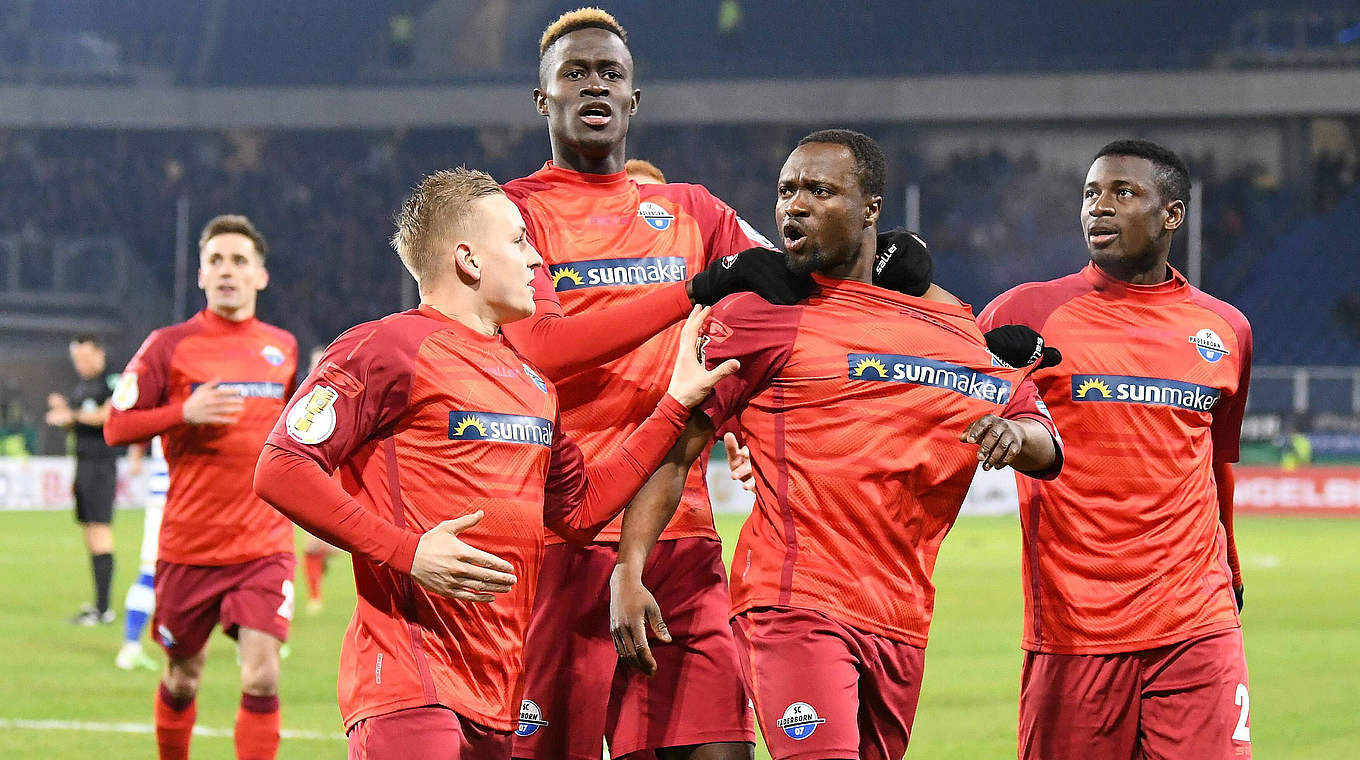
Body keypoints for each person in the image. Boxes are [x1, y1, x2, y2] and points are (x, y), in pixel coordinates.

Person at [252, 167, 738, 759]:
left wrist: (673, 404)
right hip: (412, 682)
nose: (537, 260)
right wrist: (407, 554)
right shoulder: (386, 348)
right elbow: (281, 466)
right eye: (517, 241)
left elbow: (582, 511)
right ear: (469, 260)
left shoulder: (533, 383)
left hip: (499, 690)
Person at [610, 129, 1063, 760]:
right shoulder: (758, 315)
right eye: (787, 190)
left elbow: (1047, 441)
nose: (795, 205)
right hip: (794, 603)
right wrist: (630, 568)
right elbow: (678, 445)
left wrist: (1017, 436)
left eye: (820, 191)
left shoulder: (947, 324)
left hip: (900, 616)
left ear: (871, 209)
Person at [499, 9, 787, 760]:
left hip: (677, 533)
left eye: (611, 74)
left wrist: (890, 274)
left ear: (633, 101)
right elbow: (544, 347)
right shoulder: (511, 214)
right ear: (543, 100)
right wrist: (695, 286)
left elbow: (787, 302)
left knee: (718, 750)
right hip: (554, 538)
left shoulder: (694, 210)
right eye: (575, 73)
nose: (594, 83)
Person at [976, 139, 1254, 760]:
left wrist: (1230, 564)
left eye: (1122, 193)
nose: (1098, 207)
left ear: (1172, 215)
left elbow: (1215, 465)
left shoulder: (1226, 331)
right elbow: (940, 395)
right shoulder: (1025, 314)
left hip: (1196, 623)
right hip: (1076, 630)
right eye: (1091, 193)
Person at [104, 214, 299, 760]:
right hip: (189, 547)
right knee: (183, 676)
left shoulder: (282, 348)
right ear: (200, 275)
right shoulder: (168, 345)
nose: (227, 271)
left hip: (263, 545)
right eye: (216, 261)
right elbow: (116, 426)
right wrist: (182, 412)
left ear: (260, 276)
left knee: (262, 677)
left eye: (239, 261)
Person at [46, 334, 123, 625]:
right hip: (84, 464)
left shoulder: (112, 381)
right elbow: (78, 423)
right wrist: (64, 415)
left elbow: (108, 415)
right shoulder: (82, 386)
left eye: (85, 357)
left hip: (102, 465)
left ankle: (104, 609)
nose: (80, 363)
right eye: (76, 358)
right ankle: (98, 606)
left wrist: (71, 414)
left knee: (100, 530)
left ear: (98, 352)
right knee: (91, 532)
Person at [297, 345, 341, 615]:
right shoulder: (302, 399)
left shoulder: (344, 395)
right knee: (313, 543)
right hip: (313, 473)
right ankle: (315, 597)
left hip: (340, 473)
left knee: (331, 545)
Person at [116, 435, 166, 671]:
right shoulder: (188, 403)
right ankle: (131, 646)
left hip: (168, 497)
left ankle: (135, 645)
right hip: (173, 498)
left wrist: (135, 455)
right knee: (153, 573)